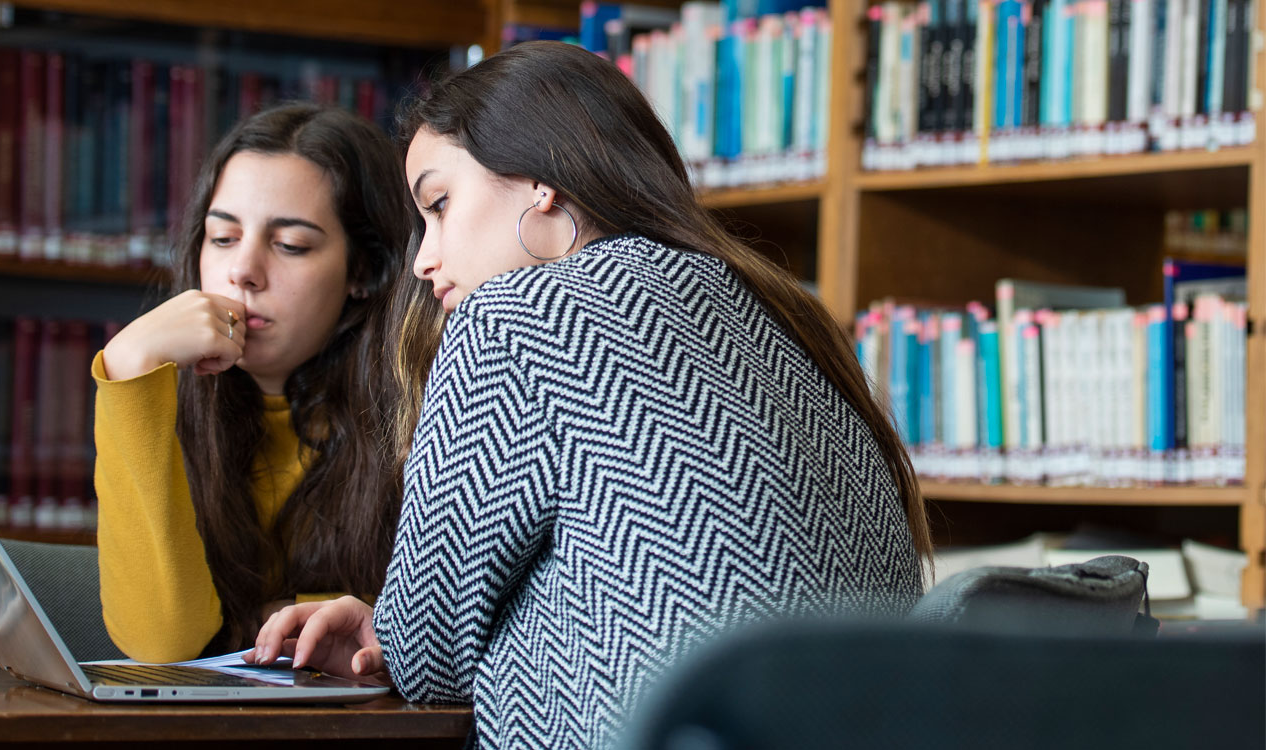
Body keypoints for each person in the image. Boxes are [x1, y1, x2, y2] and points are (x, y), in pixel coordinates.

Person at [249, 42, 932, 747]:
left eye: (441, 204)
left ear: (541, 183)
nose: (423, 259)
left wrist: (397, 629)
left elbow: (429, 660)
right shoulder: (781, 309)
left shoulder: (517, 315)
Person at [90, 104, 413, 663]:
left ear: (363, 271)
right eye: (222, 237)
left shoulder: (422, 409)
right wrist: (131, 371)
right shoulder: (154, 395)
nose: (243, 270)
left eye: (289, 245)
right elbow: (162, 643)